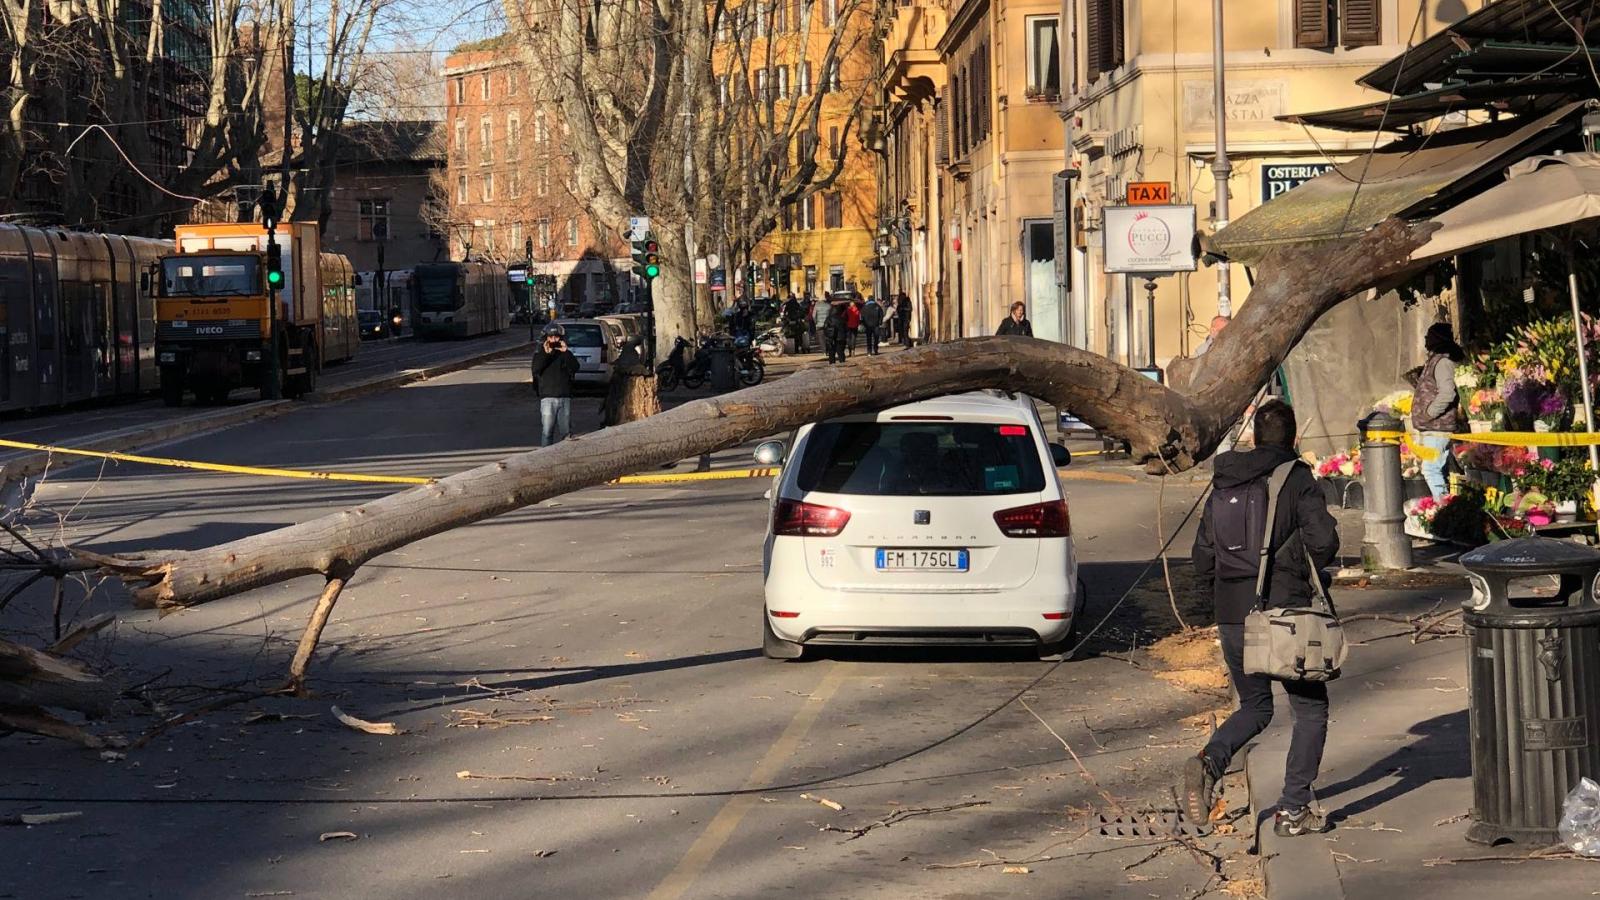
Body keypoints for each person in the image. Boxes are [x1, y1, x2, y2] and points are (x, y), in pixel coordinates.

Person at [1184, 399, 1339, 838]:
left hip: (1233, 616)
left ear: (1254, 436)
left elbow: (1202, 561)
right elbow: (1323, 543)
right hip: (1286, 615)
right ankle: (1292, 811)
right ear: (1293, 439)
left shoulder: (1224, 481)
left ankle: (1209, 762)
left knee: (1255, 705)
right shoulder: (1297, 479)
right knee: (1310, 708)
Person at [1414, 323, 1465, 501]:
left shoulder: (1443, 362)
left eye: (1429, 335)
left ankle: (1444, 506)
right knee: (1439, 469)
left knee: (1430, 469)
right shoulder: (1435, 360)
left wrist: (1429, 413)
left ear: (1438, 339)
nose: (1426, 339)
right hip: (1433, 427)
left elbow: (1447, 393)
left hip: (1438, 427)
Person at [532, 322, 581, 446]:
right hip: (548, 397)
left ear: (561, 338)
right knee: (547, 432)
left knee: (566, 433)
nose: (554, 340)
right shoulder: (540, 353)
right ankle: (545, 456)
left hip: (564, 397)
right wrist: (546, 354)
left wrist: (566, 352)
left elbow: (575, 367)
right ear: (546, 338)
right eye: (551, 337)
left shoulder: (564, 354)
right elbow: (535, 369)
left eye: (556, 337)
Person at [824, 296, 849, 364]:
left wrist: (827, 336)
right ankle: (842, 362)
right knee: (840, 352)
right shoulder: (842, 319)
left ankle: (832, 363)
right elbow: (846, 328)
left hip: (831, 338)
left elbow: (825, 327)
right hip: (841, 337)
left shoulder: (829, 318)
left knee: (831, 352)